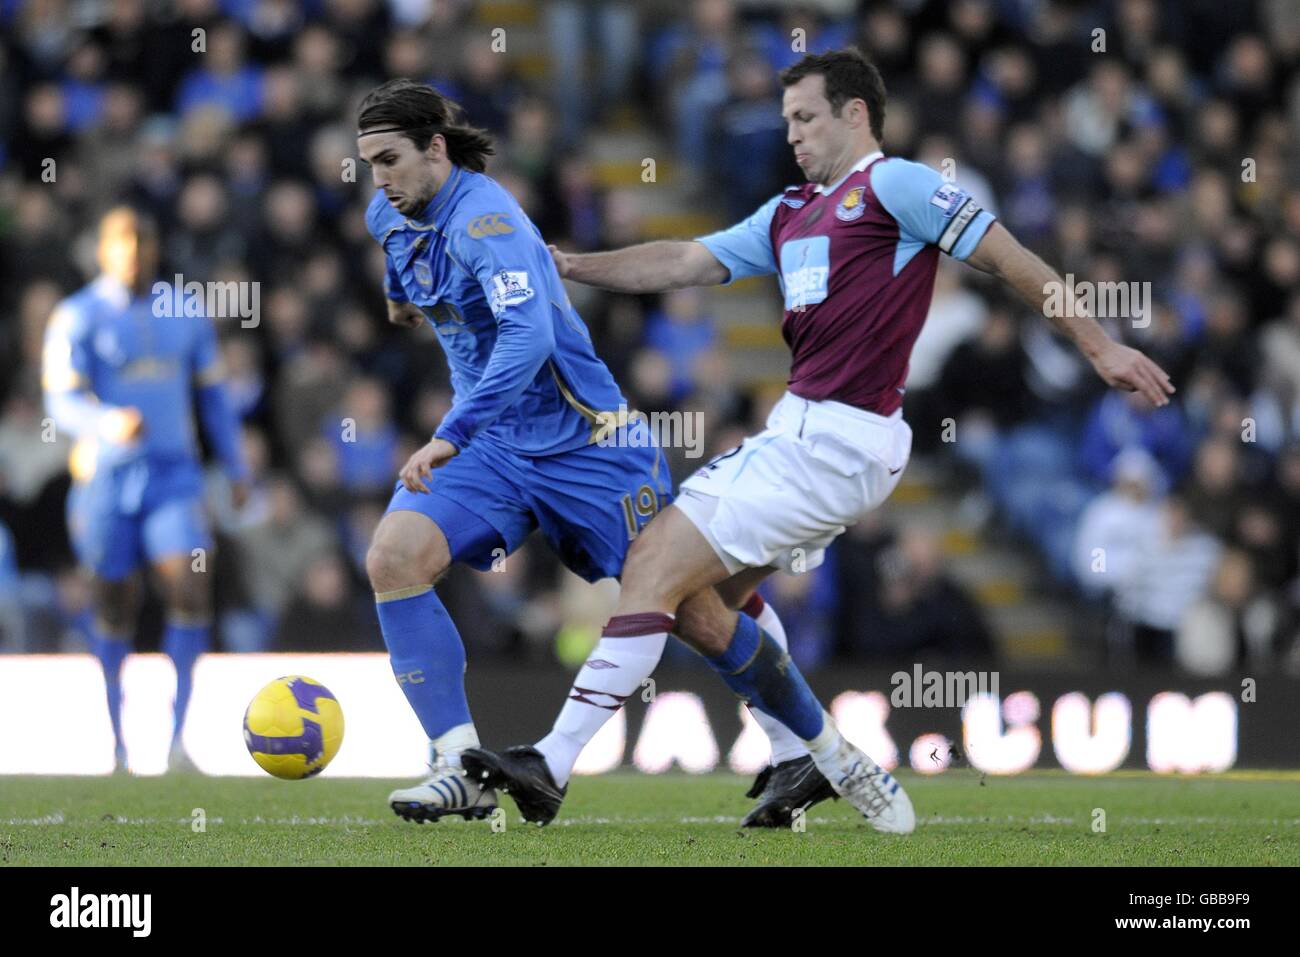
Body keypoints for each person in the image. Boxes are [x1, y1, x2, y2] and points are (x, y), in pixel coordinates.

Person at [465, 47, 1174, 828]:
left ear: (855, 114)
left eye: (806, 117)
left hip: (843, 438)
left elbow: (1012, 259)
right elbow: (682, 259)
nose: (794, 134)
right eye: (787, 121)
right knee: (706, 607)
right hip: (798, 433)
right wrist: (566, 263)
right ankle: (817, 754)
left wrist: (1100, 344)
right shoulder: (788, 210)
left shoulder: (895, 184)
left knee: (652, 565)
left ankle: (553, 761)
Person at [356, 80, 832, 828]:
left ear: (436, 149)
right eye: (368, 164)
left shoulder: (489, 221)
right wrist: (399, 300)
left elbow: (529, 337)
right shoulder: (389, 210)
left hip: (588, 445)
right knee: (393, 557)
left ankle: (808, 747)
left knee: (700, 616)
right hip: (498, 449)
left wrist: (452, 430)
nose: (378, 179)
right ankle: (456, 765)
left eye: (389, 160)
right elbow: (403, 267)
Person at [42, 207, 249, 773]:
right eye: (123, 240)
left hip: (173, 476)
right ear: (103, 249)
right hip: (107, 479)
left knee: (188, 584)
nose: (133, 249)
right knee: (114, 604)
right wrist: (104, 421)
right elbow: (59, 401)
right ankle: (117, 744)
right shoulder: (76, 316)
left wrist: (234, 464)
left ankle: (179, 741)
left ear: (154, 248)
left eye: (142, 238)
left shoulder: (184, 312)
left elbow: (212, 397)